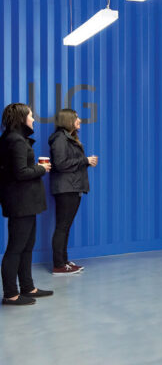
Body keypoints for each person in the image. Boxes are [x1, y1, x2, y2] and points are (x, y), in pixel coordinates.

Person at [0, 103, 54, 305]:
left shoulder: (11, 139)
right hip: (20, 202)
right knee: (16, 247)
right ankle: (11, 294)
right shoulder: (16, 141)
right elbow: (21, 173)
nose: (33, 119)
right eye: (31, 115)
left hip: (23, 202)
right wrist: (41, 168)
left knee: (26, 246)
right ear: (21, 118)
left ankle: (27, 287)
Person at [49, 109, 98, 275]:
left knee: (65, 227)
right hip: (66, 188)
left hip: (72, 187)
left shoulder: (68, 138)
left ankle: (63, 261)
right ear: (68, 120)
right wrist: (85, 160)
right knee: (62, 227)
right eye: (76, 117)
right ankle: (59, 265)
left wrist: (86, 162)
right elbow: (61, 164)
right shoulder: (60, 139)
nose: (80, 120)